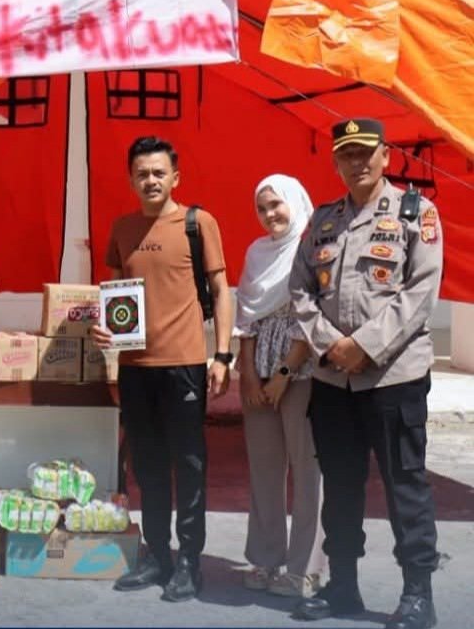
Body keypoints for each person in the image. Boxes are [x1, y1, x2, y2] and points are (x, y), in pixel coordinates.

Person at [288, 118, 442, 629]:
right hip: (334, 380)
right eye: (346, 155)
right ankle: (343, 587)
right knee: (341, 486)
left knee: (405, 487)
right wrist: (333, 345)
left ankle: (418, 595)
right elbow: (300, 288)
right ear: (336, 161)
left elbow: (420, 291)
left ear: (386, 156)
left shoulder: (415, 213)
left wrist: (366, 346)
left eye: (365, 153)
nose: (356, 163)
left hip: (393, 378)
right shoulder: (323, 221)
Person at [91, 135, 233, 602]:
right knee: (147, 465)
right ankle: (157, 555)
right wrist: (105, 330)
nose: (150, 180)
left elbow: (221, 290)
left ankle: (189, 560)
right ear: (130, 179)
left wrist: (222, 355)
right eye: (141, 173)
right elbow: (117, 292)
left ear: (175, 177)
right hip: (135, 367)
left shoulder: (198, 223)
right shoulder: (122, 228)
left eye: (158, 172)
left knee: (188, 464)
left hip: (184, 365)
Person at [234, 175, 324, 599]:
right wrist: (251, 376)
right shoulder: (256, 252)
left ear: (295, 201)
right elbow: (246, 316)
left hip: (301, 372)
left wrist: (283, 375)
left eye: (276, 204)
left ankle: (305, 569)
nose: (270, 214)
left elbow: (315, 317)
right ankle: (265, 558)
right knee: (265, 469)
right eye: (262, 207)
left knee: (308, 472)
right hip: (259, 374)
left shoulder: (312, 248)